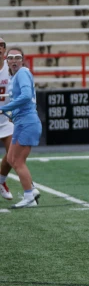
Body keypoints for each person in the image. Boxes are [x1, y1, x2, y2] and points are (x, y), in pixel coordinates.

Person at [0, 47, 42, 209]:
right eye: (11, 57)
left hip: (27, 122)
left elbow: (25, 97)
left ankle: (29, 195)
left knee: (17, 161)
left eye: (17, 57)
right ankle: (29, 192)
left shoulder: (23, 73)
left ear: (22, 60)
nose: (14, 60)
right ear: (7, 60)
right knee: (11, 159)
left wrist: (4, 109)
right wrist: (10, 113)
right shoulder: (15, 76)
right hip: (20, 122)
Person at [0, 38, 15, 201]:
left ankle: (1, 181)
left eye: (1, 46)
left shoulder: (11, 68)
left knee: (13, 154)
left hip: (5, 119)